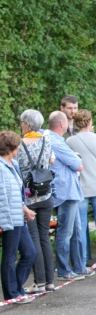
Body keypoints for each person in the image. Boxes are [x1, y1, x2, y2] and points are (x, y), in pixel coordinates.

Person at [66, 110, 96, 272]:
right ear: (89, 122)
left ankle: (83, 261)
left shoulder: (70, 141)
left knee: (81, 226)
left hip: (81, 187)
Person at [48, 111, 90, 280]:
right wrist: (75, 159)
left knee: (76, 230)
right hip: (65, 191)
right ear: (62, 124)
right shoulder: (55, 141)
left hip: (71, 191)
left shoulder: (55, 140)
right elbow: (78, 165)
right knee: (65, 232)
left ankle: (79, 267)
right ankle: (64, 270)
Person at [17, 110, 55, 293]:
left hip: (29, 196)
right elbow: (52, 160)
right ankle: (50, 281)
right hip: (46, 194)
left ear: (28, 125)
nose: (21, 124)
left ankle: (39, 281)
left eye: (22, 122)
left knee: (34, 239)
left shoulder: (19, 144)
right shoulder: (47, 140)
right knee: (44, 237)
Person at [0, 131, 37, 303]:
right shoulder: (0, 167)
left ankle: (16, 288)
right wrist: (4, 221)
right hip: (8, 220)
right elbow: (3, 197)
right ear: (12, 147)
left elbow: (16, 194)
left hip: (18, 217)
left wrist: (25, 209)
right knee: (9, 257)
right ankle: (12, 294)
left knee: (30, 253)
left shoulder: (14, 165)